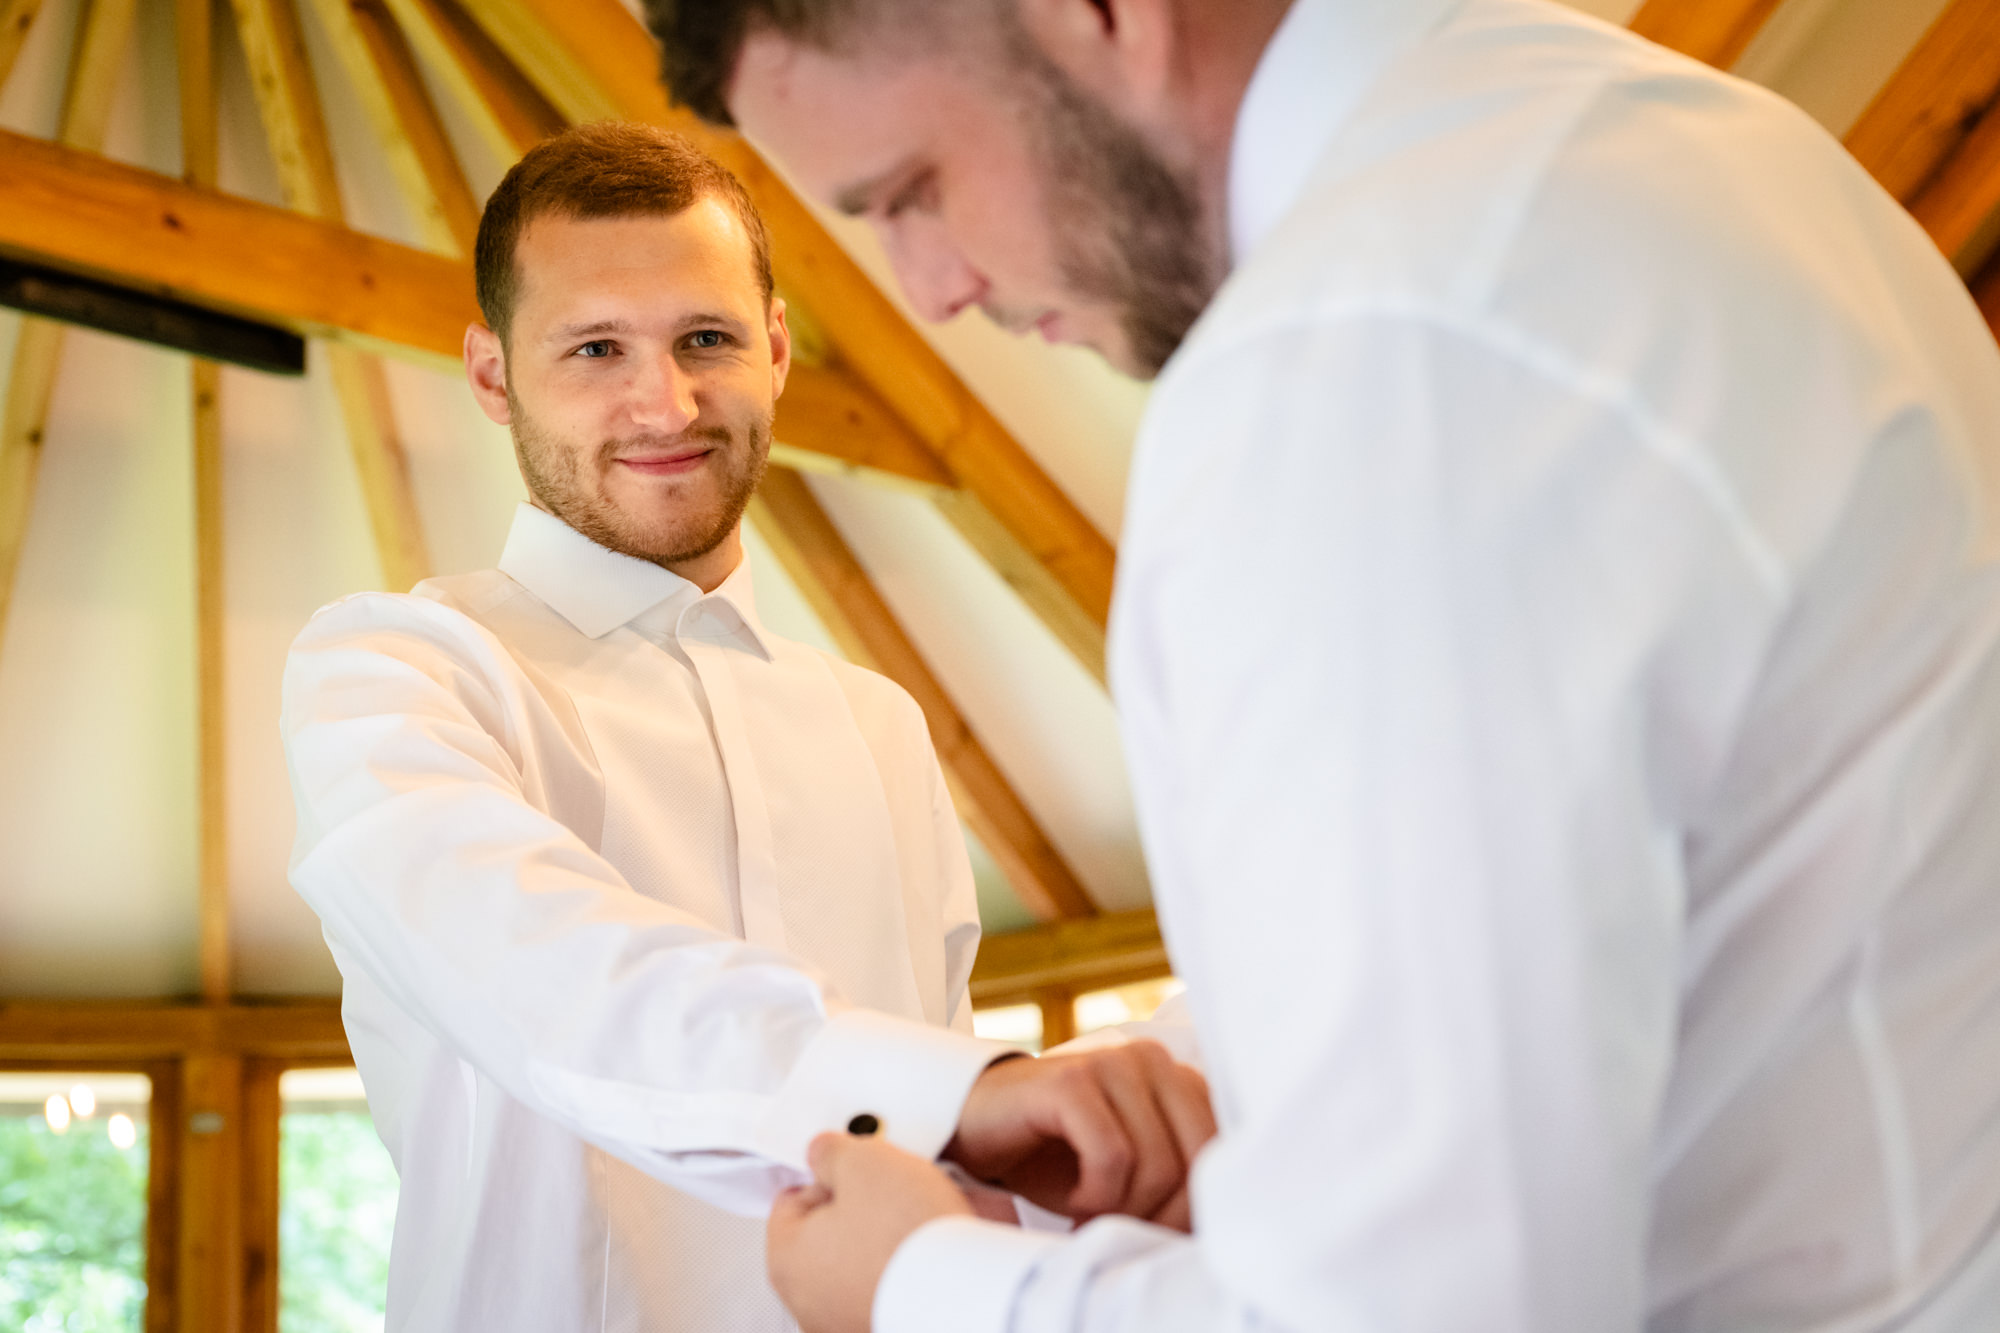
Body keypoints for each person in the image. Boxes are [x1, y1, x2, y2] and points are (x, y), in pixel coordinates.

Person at [644, 1, 2000, 1330]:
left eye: (910, 192)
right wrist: (1214, 1071)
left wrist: (922, 1287)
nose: (932, 292)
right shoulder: (1699, 144)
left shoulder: (1351, 373)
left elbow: (1412, 1306)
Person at [280, 121, 1213, 1332]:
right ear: (493, 375)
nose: (661, 400)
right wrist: (943, 1094)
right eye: (595, 347)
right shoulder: (397, 669)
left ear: (774, 349)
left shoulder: (879, 727)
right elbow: (532, 960)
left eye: (705, 337)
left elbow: (944, 1158)